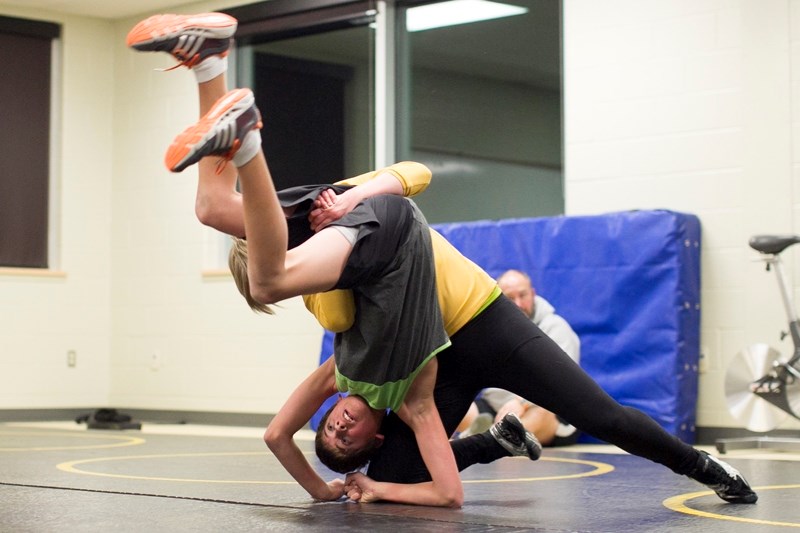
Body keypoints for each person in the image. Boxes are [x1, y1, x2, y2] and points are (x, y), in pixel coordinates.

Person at [127, 12, 758, 508]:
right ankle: (210, 61)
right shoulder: (322, 295)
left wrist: (353, 196)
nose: (342, 426)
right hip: (426, 355)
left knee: (598, 413)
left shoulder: (324, 214)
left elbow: (415, 174)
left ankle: (704, 466)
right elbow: (328, 361)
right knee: (213, 208)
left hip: (481, 323)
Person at [458, 269, 582, 447]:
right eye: (510, 299)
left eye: (523, 295)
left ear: (532, 294)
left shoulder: (556, 328)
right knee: (461, 407)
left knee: (542, 412)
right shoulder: (489, 332)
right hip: (498, 410)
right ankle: (495, 438)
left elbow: (562, 384)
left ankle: (487, 441)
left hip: (545, 412)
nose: (518, 304)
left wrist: (520, 403)